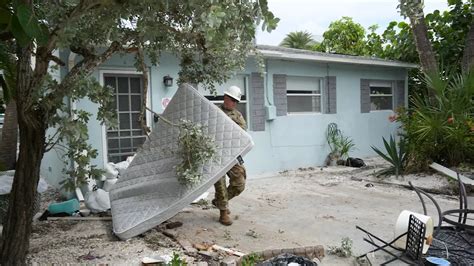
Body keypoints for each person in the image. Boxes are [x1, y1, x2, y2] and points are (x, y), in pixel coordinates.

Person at [213, 85, 247, 226]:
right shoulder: (215, 112)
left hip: (231, 153)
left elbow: (242, 134)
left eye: (235, 101)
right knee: (220, 184)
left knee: (239, 184)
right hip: (215, 154)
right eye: (231, 99)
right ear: (225, 98)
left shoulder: (238, 116)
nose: (232, 102)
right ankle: (223, 212)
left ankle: (219, 202)